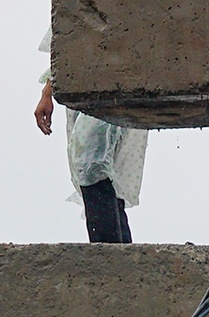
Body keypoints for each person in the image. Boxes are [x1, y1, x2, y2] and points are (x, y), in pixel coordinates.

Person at [32, 30, 148, 243]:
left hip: (119, 76)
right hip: (82, 80)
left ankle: (108, 249)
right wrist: (47, 92)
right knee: (92, 166)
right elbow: (66, 41)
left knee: (90, 161)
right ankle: (120, 250)